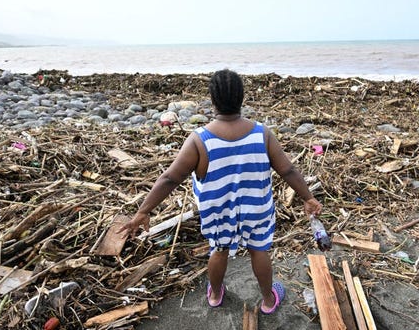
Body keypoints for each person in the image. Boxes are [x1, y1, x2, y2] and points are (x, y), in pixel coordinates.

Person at [117, 69, 322, 314]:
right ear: (241, 98)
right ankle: (268, 299)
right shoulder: (261, 133)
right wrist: (308, 198)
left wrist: (143, 211)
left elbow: (170, 177)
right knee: (259, 250)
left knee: (220, 249)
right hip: (256, 208)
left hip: (219, 211)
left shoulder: (199, 140)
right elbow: (287, 170)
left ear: (212, 101)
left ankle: (215, 294)